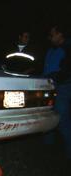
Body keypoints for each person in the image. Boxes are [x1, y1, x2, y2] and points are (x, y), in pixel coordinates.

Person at [43, 24, 71, 159]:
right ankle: (47, 148)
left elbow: (66, 72)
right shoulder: (51, 50)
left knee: (61, 119)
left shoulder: (67, 48)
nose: (50, 37)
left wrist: (55, 76)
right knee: (48, 116)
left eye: (52, 34)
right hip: (48, 88)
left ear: (60, 35)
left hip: (63, 88)